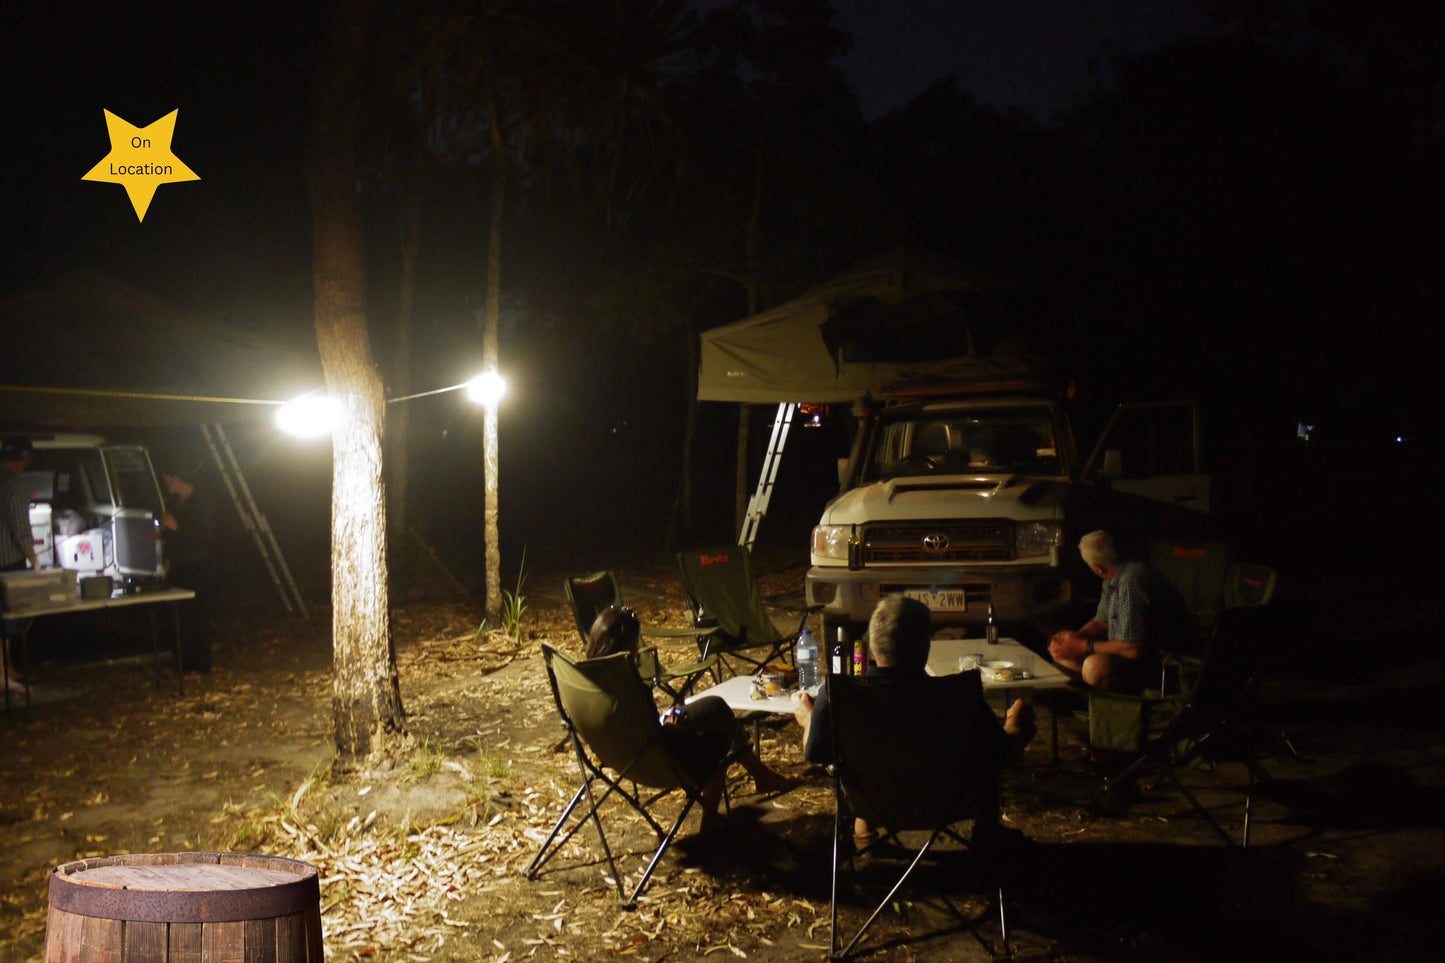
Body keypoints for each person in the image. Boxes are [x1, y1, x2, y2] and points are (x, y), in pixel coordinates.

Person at [794, 593, 1035, 851]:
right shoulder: (958, 694)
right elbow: (1000, 753)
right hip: (951, 804)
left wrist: (808, 718)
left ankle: (863, 836)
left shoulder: (839, 694)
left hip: (875, 803)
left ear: (873, 644)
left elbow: (815, 751)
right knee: (996, 742)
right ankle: (988, 833)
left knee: (868, 753)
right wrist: (1015, 726)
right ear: (925, 646)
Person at [587, 606, 794, 834]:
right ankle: (710, 825)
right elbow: (659, 737)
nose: (637, 648)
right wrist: (670, 728)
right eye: (634, 643)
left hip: (619, 754)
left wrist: (665, 723)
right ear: (629, 647)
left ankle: (761, 775)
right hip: (657, 760)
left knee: (715, 705)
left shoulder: (589, 679)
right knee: (718, 736)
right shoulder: (630, 686)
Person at [1047, 530, 1196, 693]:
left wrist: (1084, 646)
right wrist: (1072, 640)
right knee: (1062, 656)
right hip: (1129, 653)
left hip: (1164, 660)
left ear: (1098, 568)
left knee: (1095, 667)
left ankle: (1116, 709)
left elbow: (1133, 649)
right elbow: (1100, 622)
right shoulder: (1112, 577)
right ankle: (1094, 703)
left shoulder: (1132, 581)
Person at [155, 468, 216, 674]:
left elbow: (203, 536)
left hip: (197, 565)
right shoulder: (174, 503)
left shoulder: (200, 502)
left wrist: (176, 528)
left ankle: (200, 666)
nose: (167, 482)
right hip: (178, 564)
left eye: (170, 476)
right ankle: (183, 666)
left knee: (195, 617)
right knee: (178, 617)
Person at [0, 438, 39, 573]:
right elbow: (21, 529)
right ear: (24, 459)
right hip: (8, 565)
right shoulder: (15, 485)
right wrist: (33, 559)